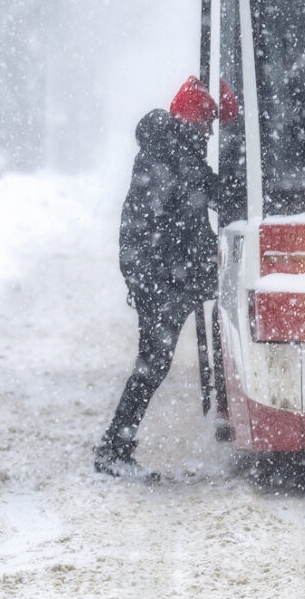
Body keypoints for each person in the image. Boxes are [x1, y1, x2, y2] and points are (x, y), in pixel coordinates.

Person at [94, 76, 237, 480]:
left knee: (152, 365)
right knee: (151, 365)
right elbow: (202, 209)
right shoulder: (172, 157)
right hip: (159, 283)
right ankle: (113, 451)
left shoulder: (172, 152)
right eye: (207, 126)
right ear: (193, 123)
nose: (210, 134)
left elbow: (195, 208)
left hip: (158, 280)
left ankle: (115, 447)